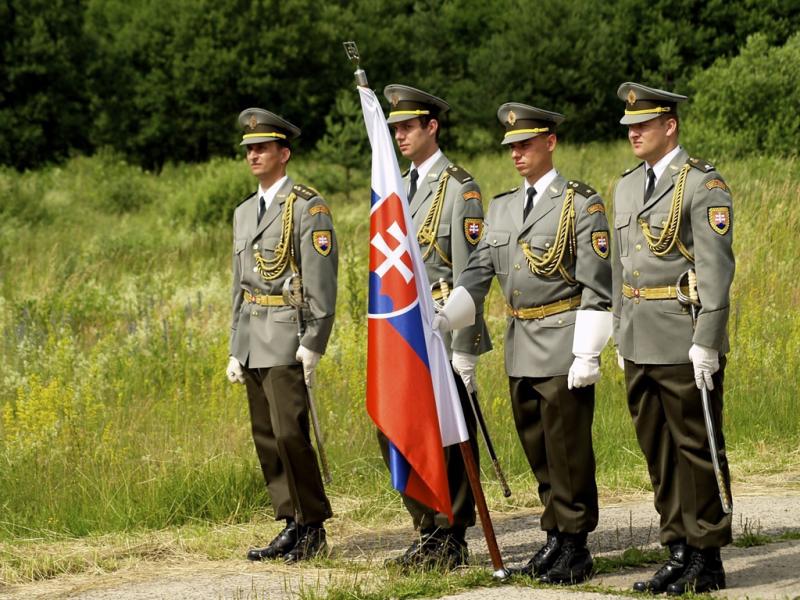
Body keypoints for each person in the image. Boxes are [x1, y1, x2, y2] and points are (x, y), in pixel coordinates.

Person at [439, 103, 612, 584]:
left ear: (550, 143)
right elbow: (477, 274)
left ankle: (575, 545)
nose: (517, 154)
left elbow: (597, 284)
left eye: (526, 144)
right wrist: (444, 317)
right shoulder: (502, 207)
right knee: (538, 447)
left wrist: (588, 352)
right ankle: (555, 534)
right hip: (520, 343)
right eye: (512, 146)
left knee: (567, 450)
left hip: (561, 342)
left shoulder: (580, 203)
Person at [611, 82, 735, 595]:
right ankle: (678, 549)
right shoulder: (626, 187)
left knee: (696, 446)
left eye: (643, 125)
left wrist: (707, 339)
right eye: (629, 126)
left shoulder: (702, 184)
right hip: (639, 336)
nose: (633, 133)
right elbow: (622, 269)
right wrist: (618, 333)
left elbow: (716, 269)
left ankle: (707, 556)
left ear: (670, 125)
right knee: (658, 450)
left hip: (682, 335)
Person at [378, 84, 492, 571]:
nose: (400, 135)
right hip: (403, 332)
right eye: (395, 129)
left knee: (447, 435)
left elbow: (473, 275)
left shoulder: (459, 188)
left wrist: (465, 349)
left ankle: (452, 534)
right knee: (399, 429)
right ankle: (425, 526)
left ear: (432, 127)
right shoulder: (394, 188)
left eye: (408, 126)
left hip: (441, 330)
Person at [225, 108, 337, 563]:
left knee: (291, 433)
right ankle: (290, 522)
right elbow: (238, 285)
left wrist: (314, 342)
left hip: (287, 334)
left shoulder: (307, 207)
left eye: (263, 148)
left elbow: (321, 282)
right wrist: (235, 347)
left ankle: (313, 526)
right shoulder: (243, 212)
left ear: (283, 153)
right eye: (249, 149)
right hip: (253, 336)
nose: (253, 155)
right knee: (267, 437)